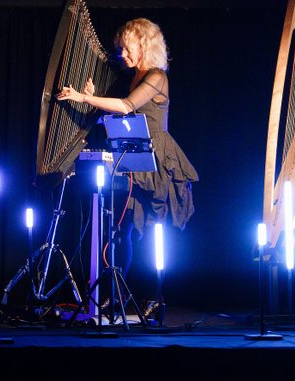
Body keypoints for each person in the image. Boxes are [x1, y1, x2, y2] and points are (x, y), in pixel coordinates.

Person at [57, 17, 198, 321]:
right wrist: (92, 99)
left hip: (156, 158)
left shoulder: (157, 76)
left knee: (150, 230)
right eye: (120, 48)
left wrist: (83, 97)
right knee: (123, 230)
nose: (121, 53)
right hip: (130, 158)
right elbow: (111, 115)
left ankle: (154, 298)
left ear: (144, 44)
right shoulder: (130, 77)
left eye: (126, 46)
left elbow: (125, 106)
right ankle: (112, 295)